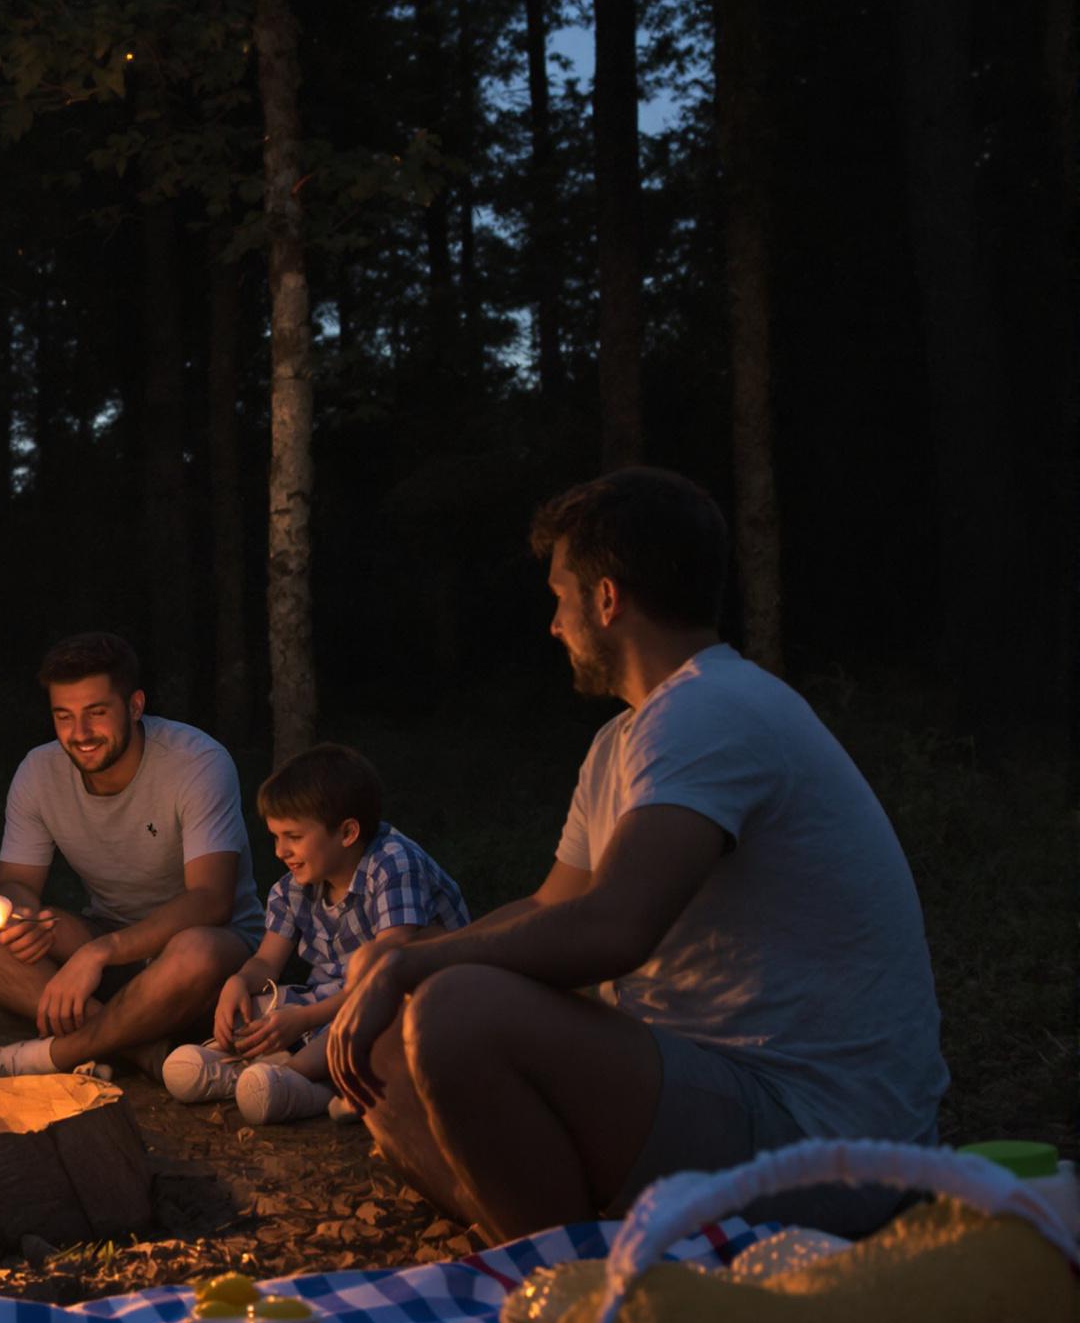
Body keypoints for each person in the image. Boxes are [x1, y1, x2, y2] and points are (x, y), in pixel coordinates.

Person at [327, 468, 949, 1240]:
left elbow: (615, 928)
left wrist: (419, 969)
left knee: (456, 1012)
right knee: (385, 1015)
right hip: (709, 1092)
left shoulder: (710, 710)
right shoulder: (626, 737)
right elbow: (556, 907)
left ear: (607, 599)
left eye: (560, 597)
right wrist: (390, 965)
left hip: (822, 1142)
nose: (554, 624)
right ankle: (572, 1241)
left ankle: (588, 1296)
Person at [0, 632, 261, 1078]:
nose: (80, 734)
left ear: (136, 706)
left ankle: (45, 1056)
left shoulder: (196, 762)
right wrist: (21, 914)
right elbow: (15, 884)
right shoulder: (39, 771)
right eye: (64, 716)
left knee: (196, 950)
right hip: (106, 936)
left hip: (207, 948)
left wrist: (101, 953)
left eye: (96, 713)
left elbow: (210, 900)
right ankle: (137, 1049)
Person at [162, 742, 470, 1123]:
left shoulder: (393, 864)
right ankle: (257, 1068)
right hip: (328, 1003)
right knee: (260, 1010)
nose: (280, 851)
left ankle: (298, 1079)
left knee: (357, 1018)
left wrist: (305, 1020)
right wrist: (239, 982)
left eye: (293, 837)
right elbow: (266, 961)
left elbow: (390, 971)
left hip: (407, 1001)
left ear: (347, 832)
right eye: (275, 837)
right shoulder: (295, 886)